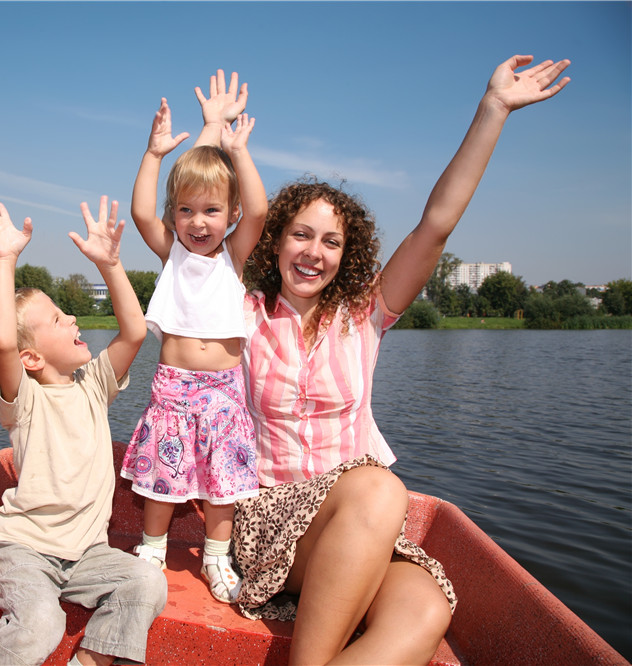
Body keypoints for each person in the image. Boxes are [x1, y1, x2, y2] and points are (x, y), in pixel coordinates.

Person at [231, 55, 571, 665]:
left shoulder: (363, 315)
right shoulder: (242, 312)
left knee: (425, 608)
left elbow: (435, 226)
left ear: (347, 254)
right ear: (275, 239)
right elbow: (185, 242)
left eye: (331, 241)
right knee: (381, 489)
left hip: (357, 528)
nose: (313, 252)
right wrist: (219, 144)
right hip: (270, 520)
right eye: (301, 234)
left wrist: (492, 110)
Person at [0, 193, 167, 666]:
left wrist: (111, 265)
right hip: (26, 549)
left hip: (86, 552)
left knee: (146, 580)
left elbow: (134, 332)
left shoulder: (93, 385)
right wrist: (5, 257)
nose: (72, 318)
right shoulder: (24, 401)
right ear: (31, 358)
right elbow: (2, 342)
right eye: (56, 318)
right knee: (42, 623)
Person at [120, 70, 266, 604]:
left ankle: (215, 557)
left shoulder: (236, 255)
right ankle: (152, 550)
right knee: (165, 471)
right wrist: (153, 153)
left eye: (211, 211)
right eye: (185, 211)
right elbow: (141, 209)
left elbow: (260, 208)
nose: (197, 222)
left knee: (223, 483)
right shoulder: (172, 254)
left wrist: (235, 149)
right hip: (174, 386)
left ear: (230, 217)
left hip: (225, 390)